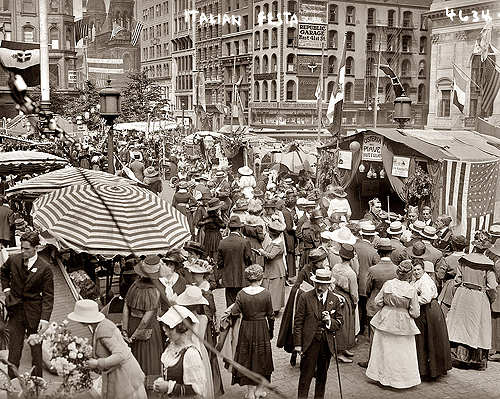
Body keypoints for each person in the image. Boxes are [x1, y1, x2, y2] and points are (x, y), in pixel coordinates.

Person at [68, 300, 147, 399]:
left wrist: (97, 363)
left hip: (125, 375)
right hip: (119, 374)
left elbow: (120, 355)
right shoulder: (100, 326)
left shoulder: (104, 330)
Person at [0, 231, 54, 379]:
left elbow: (48, 295)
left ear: (36, 248)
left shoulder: (45, 268)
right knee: (14, 352)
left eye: (27, 249)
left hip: (34, 314)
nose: (23, 251)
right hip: (16, 312)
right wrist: (6, 289)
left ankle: (37, 385)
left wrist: (44, 319)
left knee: (36, 353)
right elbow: (3, 272)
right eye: (21, 248)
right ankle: (13, 384)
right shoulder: (13, 260)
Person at [365, 260, 421, 389]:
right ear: (410, 274)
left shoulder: (388, 284)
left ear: (398, 272)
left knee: (384, 349)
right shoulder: (411, 290)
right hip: (403, 321)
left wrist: (388, 305)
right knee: (402, 351)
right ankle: (400, 380)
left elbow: (377, 301)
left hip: (386, 317)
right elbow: (415, 312)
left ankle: (382, 377)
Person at [293, 269, 343, 399]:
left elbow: (339, 323)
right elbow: (298, 322)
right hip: (310, 343)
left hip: (326, 344)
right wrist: (298, 344)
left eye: (323, 284)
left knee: (322, 376)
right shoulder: (305, 297)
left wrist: (329, 321)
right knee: (306, 376)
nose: (319, 287)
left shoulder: (335, 300)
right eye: (317, 284)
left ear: (328, 285)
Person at [446, 252, 498, 370]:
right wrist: (491, 298)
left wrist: (457, 294)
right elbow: (493, 286)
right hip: (479, 297)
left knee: (461, 325)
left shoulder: (464, 261)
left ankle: (461, 357)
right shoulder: (488, 265)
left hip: (463, 294)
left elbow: (457, 280)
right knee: (478, 327)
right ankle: (476, 360)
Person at [230, 264, 274, 399]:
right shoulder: (266, 294)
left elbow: (234, 312)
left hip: (246, 328)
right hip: (261, 328)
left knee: (247, 358)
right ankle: (259, 389)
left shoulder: (241, 294)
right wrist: (270, 331)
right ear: (260, 279)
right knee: (262, 358)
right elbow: (271, 315)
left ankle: (250, 392)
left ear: (247, 279)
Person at [122, 255, 164, 388]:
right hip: (148, 330)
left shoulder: (134, 286)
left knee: (135, 357)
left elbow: (126, 307)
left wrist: (125, 330)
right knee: (149, 360)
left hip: (132, 324)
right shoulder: (154, 290)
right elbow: (147, 318)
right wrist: (135, 336)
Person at [410, 258, 452, 378]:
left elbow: (425, 298)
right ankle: (424, 368)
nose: (416, 272)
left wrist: (410, 299)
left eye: (418, 269)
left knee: (429, 339)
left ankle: (431, 369)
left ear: (423, 269)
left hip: (429, 310)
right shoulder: (418, 279)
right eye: (414, 270)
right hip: (425, 310)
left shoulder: (425, 282)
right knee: (424, 339)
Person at [154, 305, 206, 398]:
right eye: (165, 328)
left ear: (181, 328)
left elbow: (197, 388)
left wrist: (170, 387)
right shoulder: (170, 347)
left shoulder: (190, 353)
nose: (166, 332)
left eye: (170, 328)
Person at [330, 243, 358, 363]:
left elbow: (332, 282)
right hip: (346, 298)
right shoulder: (351, 273)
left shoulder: (336, 267)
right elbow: (353, 292)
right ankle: (339, 351)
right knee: (345, 325)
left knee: (340, 323)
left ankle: (343, 348)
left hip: (336, 294)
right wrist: (355, 302)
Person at [218, 215, 252, 306]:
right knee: (242, 301)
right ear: (239, 229)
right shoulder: (244, 242)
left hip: (228, 276)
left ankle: (231, 319)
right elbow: (248, 259)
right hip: (241, 275)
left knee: (230, 303)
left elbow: (220, 262)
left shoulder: (222, 242)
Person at [258, 220, 286, 314]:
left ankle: (274, 309)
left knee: (274, 290)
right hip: (271, 268)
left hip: (276, 270)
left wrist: (262, 252)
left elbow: (271, 256)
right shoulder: (274, 242)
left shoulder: (278, 244)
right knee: (269, 288)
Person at [198, 198, 226, 263]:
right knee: (216, 255)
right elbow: (223, 226)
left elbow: (199, 223)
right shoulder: (216, 218)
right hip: (215, 236)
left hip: (208, 236)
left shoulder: (207, 218)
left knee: (208, 254)